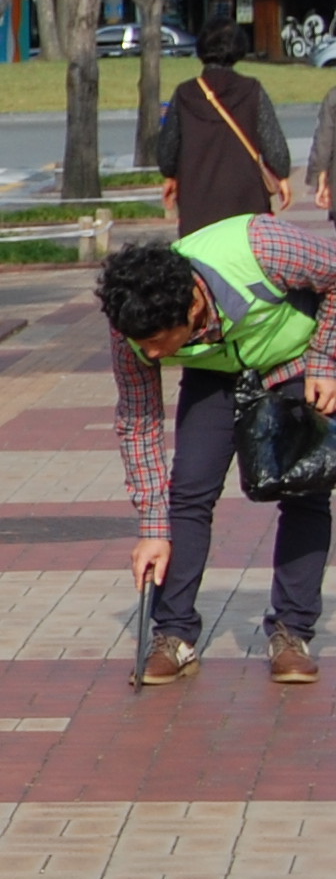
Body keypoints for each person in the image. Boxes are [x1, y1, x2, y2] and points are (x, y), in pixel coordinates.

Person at [96, 217, 336, 684]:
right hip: (215, 374)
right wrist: (151, 528)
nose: (151, 356)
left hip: (296, 361)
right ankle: (174, 635)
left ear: (192, 306)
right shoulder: (132, 329)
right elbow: (138, 421)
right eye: (141, 346)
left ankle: (291, 632)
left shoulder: (262, 247)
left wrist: (326, 361)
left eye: (157, 344)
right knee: (188, 489)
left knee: (303, 487)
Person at [160, 24, 289, 236]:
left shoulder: (185, 93)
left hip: (197, 202)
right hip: (246, 200)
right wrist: (282, 176)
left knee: (201, 264)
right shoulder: (252, 89)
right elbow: (274, 145)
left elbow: (167, 150)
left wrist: (170, 176)